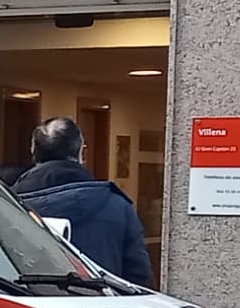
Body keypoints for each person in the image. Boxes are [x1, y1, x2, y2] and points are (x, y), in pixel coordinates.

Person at [11, 117, 154, 286]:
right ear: (82, 153)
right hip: (97, 307)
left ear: (33, 151)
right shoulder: (117, 206)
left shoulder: (1, 205)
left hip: (25, 307)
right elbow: (138, 277)